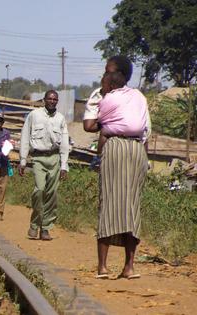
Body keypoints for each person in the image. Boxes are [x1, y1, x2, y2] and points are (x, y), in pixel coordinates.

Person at [83, 56, 150, 280]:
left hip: (117, 148)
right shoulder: (138, 96)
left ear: (117, 76)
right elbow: (144, 130)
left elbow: (89, 125)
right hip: (136, 150)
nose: (104, 75)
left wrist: (107, 122)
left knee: (109, 202)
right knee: (131, 206)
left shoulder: (105, 96)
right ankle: (128, 267)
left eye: (107, 71)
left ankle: (104, 267)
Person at [19, 90, 69, 241]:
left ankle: (45, 228)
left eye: (55, 99)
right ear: (44, 100)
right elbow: (25, 136)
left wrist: (64, 165)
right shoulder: (34, 115)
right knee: (39, 190)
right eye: (50, 99)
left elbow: (65, 143)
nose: (52, 101)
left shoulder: (60, 118)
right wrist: (22, 160)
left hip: (54, 158)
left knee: (51, 194)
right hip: (38, 158)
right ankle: (34, 224)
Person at [96, 71, 149, 155]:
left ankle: (99, 157)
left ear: (111, 86)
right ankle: (145, 159)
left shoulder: (110, 97)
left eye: (104, 85)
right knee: (145, 134)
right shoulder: (138, 94)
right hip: (139, 132)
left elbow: (101, 118)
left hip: (121, 131)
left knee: (104, 131)